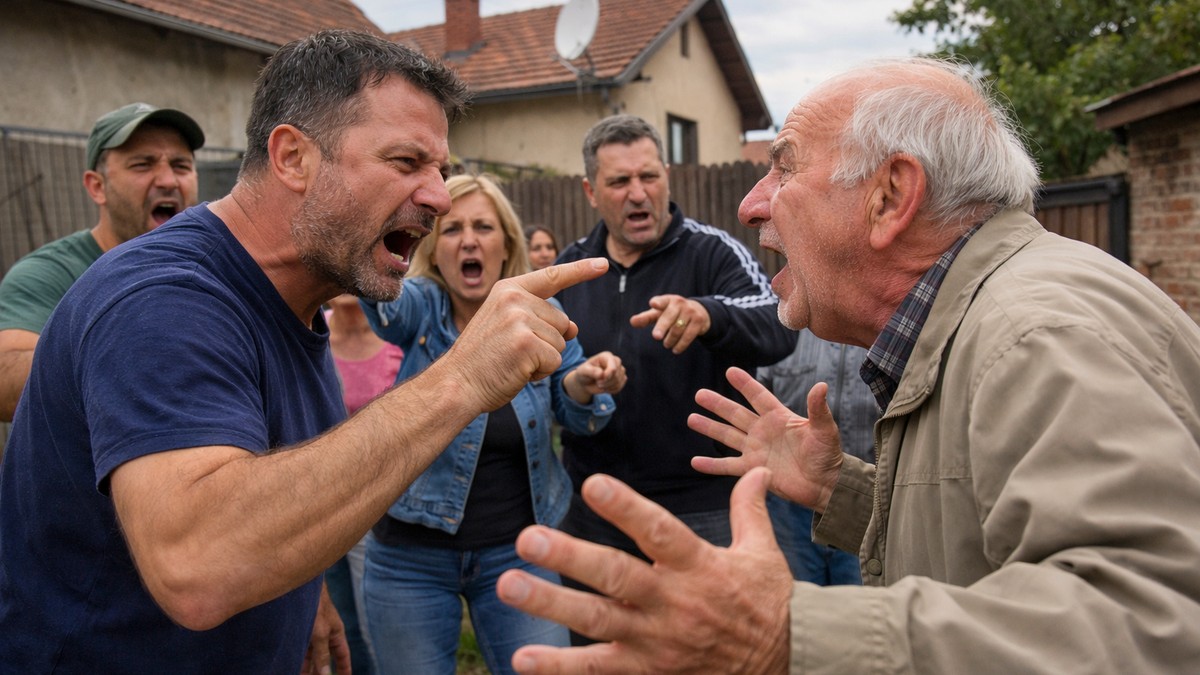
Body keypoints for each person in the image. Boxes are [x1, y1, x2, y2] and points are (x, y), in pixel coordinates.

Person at [494, 56, 1200, 673]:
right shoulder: (990, 320)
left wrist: (785, 634)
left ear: (890, 195)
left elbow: (1155, 625)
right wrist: (850, 491)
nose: (751, 203)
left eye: (785, 165)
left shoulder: (1035, 334)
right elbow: (984, 540)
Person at [0, 29, 610, 674]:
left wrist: (302, 584)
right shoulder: (164, 299)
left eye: (441, 171)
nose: (436, 196)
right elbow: (198, 564)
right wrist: (462, 377)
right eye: (406, 163)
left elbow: (269, 477)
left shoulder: (296, 292)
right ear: (292, 157)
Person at [360, 173, 626, 675]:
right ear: (435, 250)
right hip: (409, 557)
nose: (469, 240)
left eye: (483, 226)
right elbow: (384, 305)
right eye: (453, 228)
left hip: (520, 548)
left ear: (506, 244)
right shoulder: (421, 307)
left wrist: (587, 383)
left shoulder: (544, 313)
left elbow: (572, 407)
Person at [552, 115, 795, 613]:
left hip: (701, 508)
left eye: (649, 176)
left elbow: (777, 324)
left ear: (666, 176)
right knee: (600, 655)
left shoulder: (712, 252)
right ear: (591, 191)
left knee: (713, 653)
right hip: (596, 507)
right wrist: (579, 382)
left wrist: (709, 313)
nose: (637, 193)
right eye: (619, 181)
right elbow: (550, 382)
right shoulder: (573, 267)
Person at [0, 101, 204, 422]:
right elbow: (5, 380)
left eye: (180, 165)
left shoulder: (214, 268)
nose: (168, 180)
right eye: (142, 164)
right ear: (97, 186)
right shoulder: (50, 274)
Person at [325, 292, 406, 674]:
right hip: (312, 506)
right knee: (341, 627)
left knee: (376, 629)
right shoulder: (308, 332)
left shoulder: (398, 342)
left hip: (374, 509)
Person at [759, 328, 876, 586]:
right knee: (793, 602)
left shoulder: (878, 332)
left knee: (860, 610)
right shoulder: (784, 328)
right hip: (789, 508)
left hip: (866, 500)